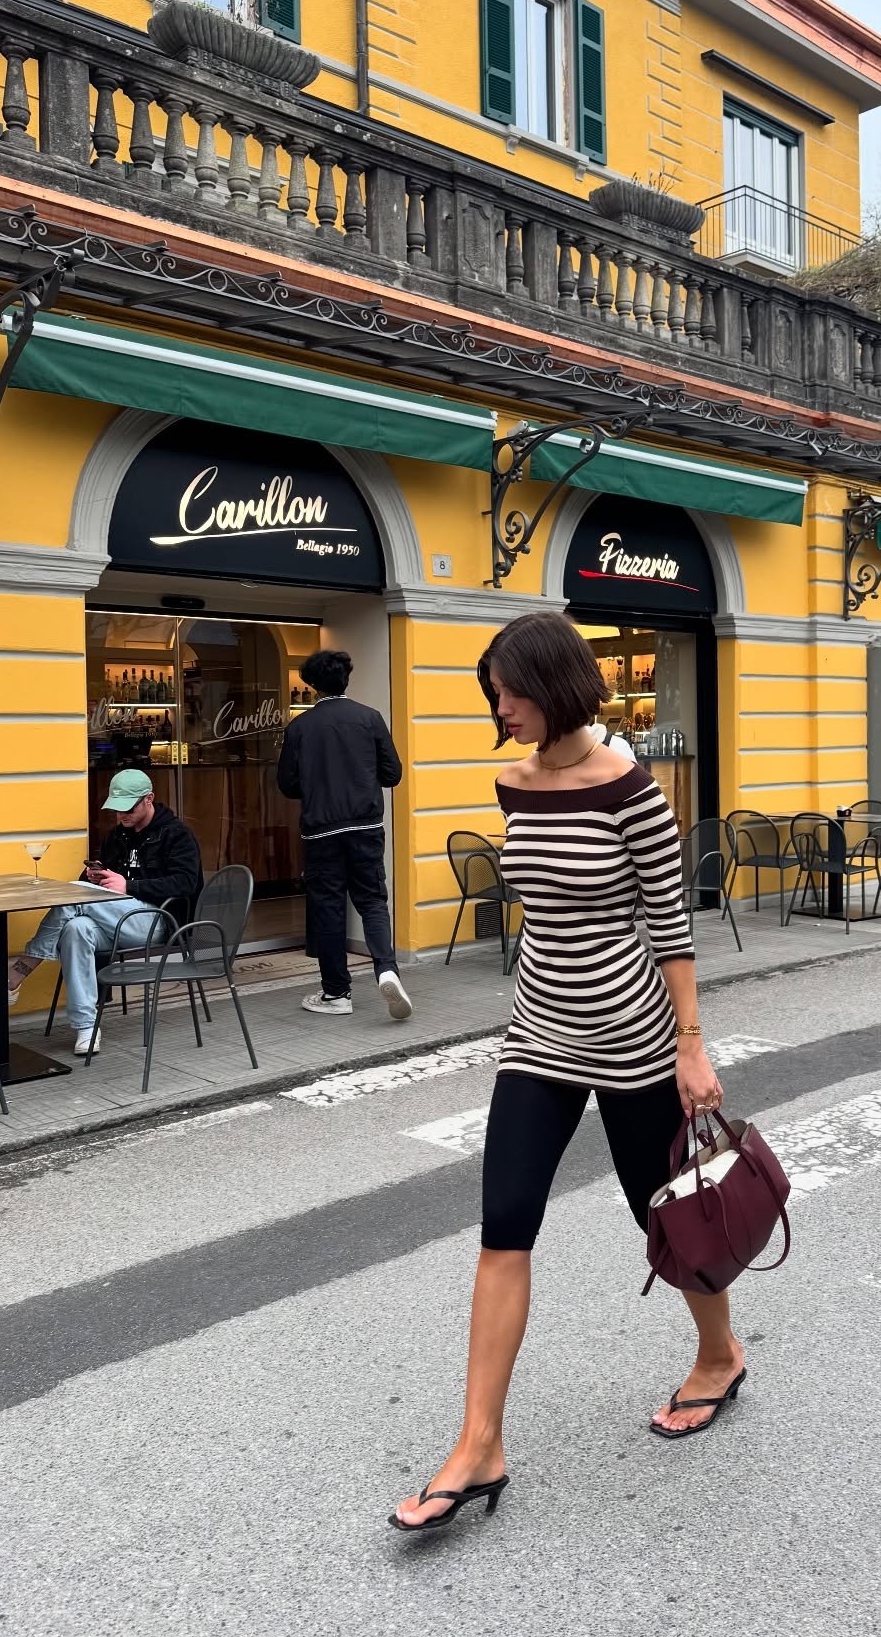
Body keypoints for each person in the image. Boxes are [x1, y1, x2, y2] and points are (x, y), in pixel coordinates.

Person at [390, 612, 737, 1534]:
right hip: (538, 1034)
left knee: (665, 1221)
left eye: (510, 692)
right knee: (504, 1221)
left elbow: (671, 925)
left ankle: (719, 1354)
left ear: (555, 684)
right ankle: (478, 1444)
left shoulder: (631, 789)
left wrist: (691, 1044)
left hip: (632, 1037)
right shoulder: (512, 783)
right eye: (494, 695)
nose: (500, 709)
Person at [6, 769, 202, 1056]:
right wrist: (93, 877)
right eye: (117, 809)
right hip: (116, 920)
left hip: (157, 921)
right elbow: (93, 888)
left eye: (128, 808)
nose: (122, 815)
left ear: (149, 799)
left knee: (75, 893)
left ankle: (19, 971)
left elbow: (187, 882)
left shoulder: (176, 834)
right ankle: (87, 1028)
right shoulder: (117, 836)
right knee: (76, 929)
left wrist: (129, 885)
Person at [277, 649, 412, 1021]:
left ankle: (336, 993)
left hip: (321, 831)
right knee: (372, 901)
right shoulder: (369, 718)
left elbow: (287, 784)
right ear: (345, 680)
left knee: (329, 910)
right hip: (366, 826)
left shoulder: (300, 727)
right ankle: (387, 970)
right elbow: (393, 774)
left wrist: (316, 783)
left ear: (312, 686)